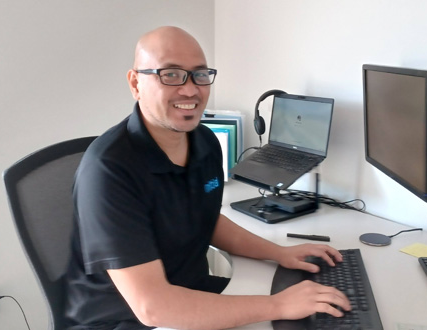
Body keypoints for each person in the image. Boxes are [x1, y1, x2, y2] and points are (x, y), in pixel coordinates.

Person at [64, 26, 351, 330]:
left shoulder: (203, 141)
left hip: (189, 295)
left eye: (199, 74)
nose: (190, 90)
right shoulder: (109, 170)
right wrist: (279, 305)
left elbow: (206, 219)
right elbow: (153, 308)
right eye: (171, 74)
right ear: (136, 83)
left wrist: (279, 253)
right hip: (126, 320)